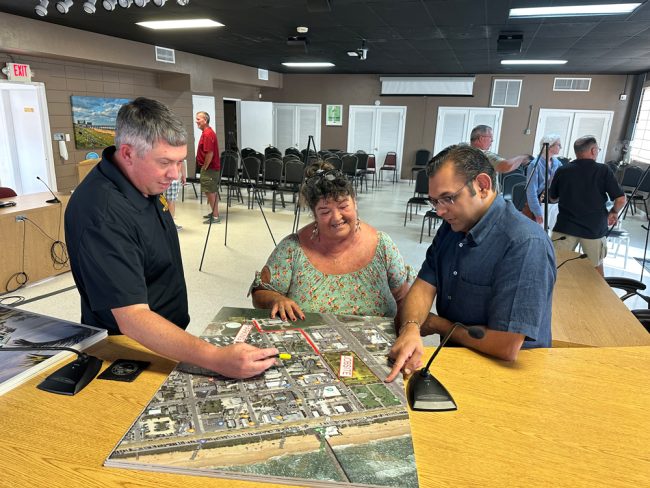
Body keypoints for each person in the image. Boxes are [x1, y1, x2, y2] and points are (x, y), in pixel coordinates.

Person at [65, 97, 278, 379]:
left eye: (180, 162)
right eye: (165, 162)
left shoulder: (144, 181)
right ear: (128, 153)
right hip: (130, 350)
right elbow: (133, 318)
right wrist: (215, 358)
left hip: (167, 338)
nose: (176, 175)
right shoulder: (102, 213)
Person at [386, 145, 555, 382]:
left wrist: (437, 324)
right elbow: (424, 284)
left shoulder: (524, 243)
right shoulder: (453, 227)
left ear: (482, 186)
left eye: (448, 198)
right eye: (435, 201)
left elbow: (506, 346)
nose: (441, 211)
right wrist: (412, 327)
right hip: (460, 358)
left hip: (509, 374)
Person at [250, 162, 412, 322]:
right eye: (325, 211)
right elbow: (260, 293)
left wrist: (408, 328)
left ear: (355, 203)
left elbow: (405, 298)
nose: (336, 217)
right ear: (314, 214)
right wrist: (276, 300)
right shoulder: (293, 248)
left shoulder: (382, 245)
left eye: (343, 206)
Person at [549, 135, 626, 276]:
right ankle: (597, 297)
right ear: (593, 150)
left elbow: (553, 198)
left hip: (565, 227)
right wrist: (614, 212)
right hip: (593, 229)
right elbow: (620, 199)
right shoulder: (603, 170)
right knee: (595, 269)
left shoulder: (563, 170)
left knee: (555, 267)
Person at [524, 135, 563, 230]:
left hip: (554, 204)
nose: (560, 147)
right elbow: (531, 191)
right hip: (541, 204)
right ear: (550, 146)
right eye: (559, 145)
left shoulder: (557, 163)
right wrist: (537, 212)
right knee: (540, 233)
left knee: (555, 232)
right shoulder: (535, 164)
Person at [196, 111, 221, 224]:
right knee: (210, 191)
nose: (196, 121)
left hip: (209, 169)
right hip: (209, 168)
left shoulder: (207, 134)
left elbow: (209, 153)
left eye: (198, 119)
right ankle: (214, 213)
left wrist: (205, 167)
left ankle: (215, 217)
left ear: (205, 120)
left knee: (210, 191)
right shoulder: (206, 132)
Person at [163, 158, 187, 230]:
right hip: (172, 179)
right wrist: (184, 176)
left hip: (167, 178)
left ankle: (168, 222)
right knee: (171, 201)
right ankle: (171, 224)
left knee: (168, 201)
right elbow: (181, 162)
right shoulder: (176, 151)